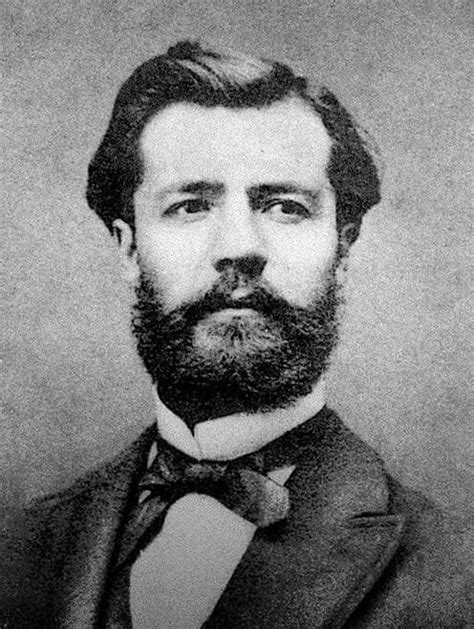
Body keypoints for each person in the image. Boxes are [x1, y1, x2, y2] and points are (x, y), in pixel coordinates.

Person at [2, 41, 471, 628]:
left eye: (285, 207)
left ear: (343, 248)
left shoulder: (456, 572)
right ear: (129, 248)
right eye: (190, 206)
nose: (240, 247)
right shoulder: (23, 548)